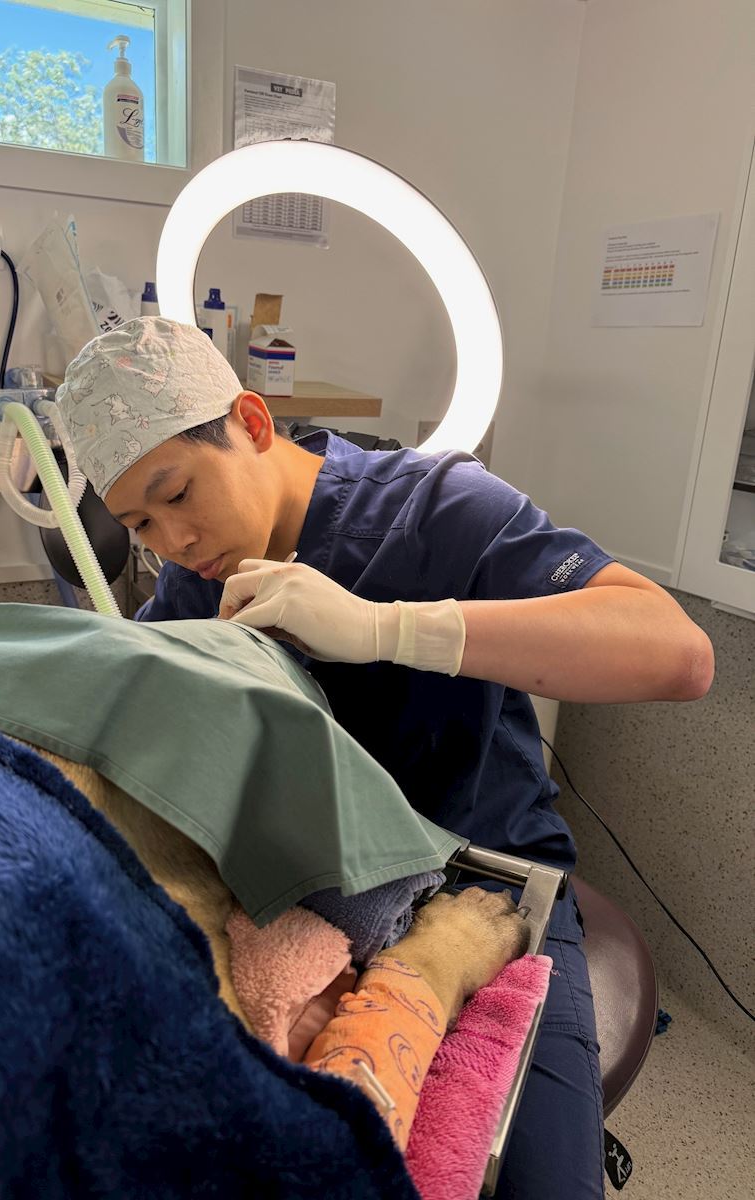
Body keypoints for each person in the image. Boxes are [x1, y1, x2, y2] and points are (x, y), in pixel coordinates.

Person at [57, 316, 714, 1199]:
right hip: (305, 901)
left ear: (251, 421)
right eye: (140, 523)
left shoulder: (436, 509)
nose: (172, 541)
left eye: (177, 494)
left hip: (485, 887)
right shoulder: (194, 582)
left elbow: (678, 654)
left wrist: (387, 629)